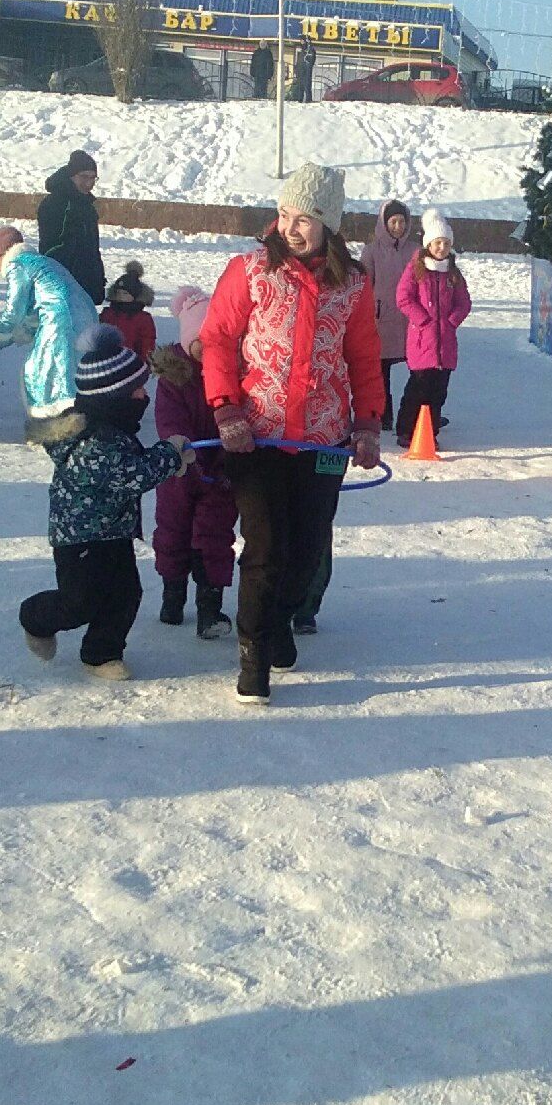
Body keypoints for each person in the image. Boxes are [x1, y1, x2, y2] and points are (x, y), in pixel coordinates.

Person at [200, 163, 383, 705]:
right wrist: (226, 408)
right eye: (284, 214)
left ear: (328, 223)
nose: (291, 227)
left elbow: (364, 358)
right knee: (265, 547)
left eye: (304, 218)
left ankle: (279, 619)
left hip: (323, 442)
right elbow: (216, 341)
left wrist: (368, 423)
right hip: (253, 436)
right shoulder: (252, 270)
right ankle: (253, 654)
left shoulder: (350, 284)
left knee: (306, 551)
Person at [20, 325, 194, 680]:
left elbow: (132, 471)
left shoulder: (113, 433)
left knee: (125, 595)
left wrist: (169, 460)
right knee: (80, 601)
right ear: (112, 399)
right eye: (137, 391)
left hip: (113, 532)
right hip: (80, 539)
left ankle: (102, 654)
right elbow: (131, 475)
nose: (144, 396)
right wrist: (170, 454)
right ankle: (36, 617)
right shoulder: (95, 442)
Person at [150, 287, 236, 638]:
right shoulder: (175, 376)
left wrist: (230, 458)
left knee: (214, 537)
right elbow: (169, 420)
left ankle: (209, 608)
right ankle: (173, 595)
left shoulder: (234, 374)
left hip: (220, 473)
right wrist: (182, 448)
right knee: (172, 533)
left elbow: (243, 415)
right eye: (202, 339)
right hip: (180, 472)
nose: (209, 347)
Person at [0, 226, 100, 419]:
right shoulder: (44, 262)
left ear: (3, 253)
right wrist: (19, 334)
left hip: (61, 320)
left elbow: (15, 309)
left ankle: (56, 424)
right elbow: (38, 307)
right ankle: (84, 415)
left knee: (44, 370)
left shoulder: (17, 264)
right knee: (78, 368)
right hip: (86, 317)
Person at [394, 208, 471, 449]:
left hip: (445, 344)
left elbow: (464, 302)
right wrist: (424, 321)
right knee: (418, 388)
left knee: (438, 391)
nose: (441, 248)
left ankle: (430, 431)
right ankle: (406, 429)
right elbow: (404, 298)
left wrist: (451, 321)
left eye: (446, 243)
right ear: (429, 244)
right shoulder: (417, 269)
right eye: (438, 243)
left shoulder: (453, 273)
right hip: (422, 342)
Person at [360, 198, 420, 427]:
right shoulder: (372, 251)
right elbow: (365, 287)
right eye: (393, 221)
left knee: (420, 369)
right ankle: (383, 415)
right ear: (384, 224)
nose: (398, 227)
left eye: (402, 222)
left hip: (410, 321)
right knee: (380, 372)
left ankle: (417, 413)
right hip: (381, 320)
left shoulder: (416, 250)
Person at [37, 150, 105, 306]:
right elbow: (51, 247)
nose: (89, 183)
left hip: (85, 283)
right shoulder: (56, 203)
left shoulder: (86, 205)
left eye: (93, 178)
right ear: (71, 176)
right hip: (64, 284)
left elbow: (92, 248)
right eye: (84, 177)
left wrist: (97, 279)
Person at [100, 260, 157, 361]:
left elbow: (147, 342)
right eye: (119, 293)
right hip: (107, 361)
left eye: (125, 294)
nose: (121, 296)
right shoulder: (108, 313)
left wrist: (145, 362)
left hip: (131, 362)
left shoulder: (143, 318)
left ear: (135, 296)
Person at [292, 35, 316, 102]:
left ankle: (308, 101)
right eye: (301, 41)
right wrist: (296, 72)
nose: (301, 42)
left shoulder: (310, 50)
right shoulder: (302, 51)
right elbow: (299, 62)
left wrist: (306, 70)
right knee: (300, 88)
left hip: (306, 73)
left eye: (302, 41)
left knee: (307, 88)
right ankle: (299, 100)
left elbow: (310, 62)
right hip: (300, 73)